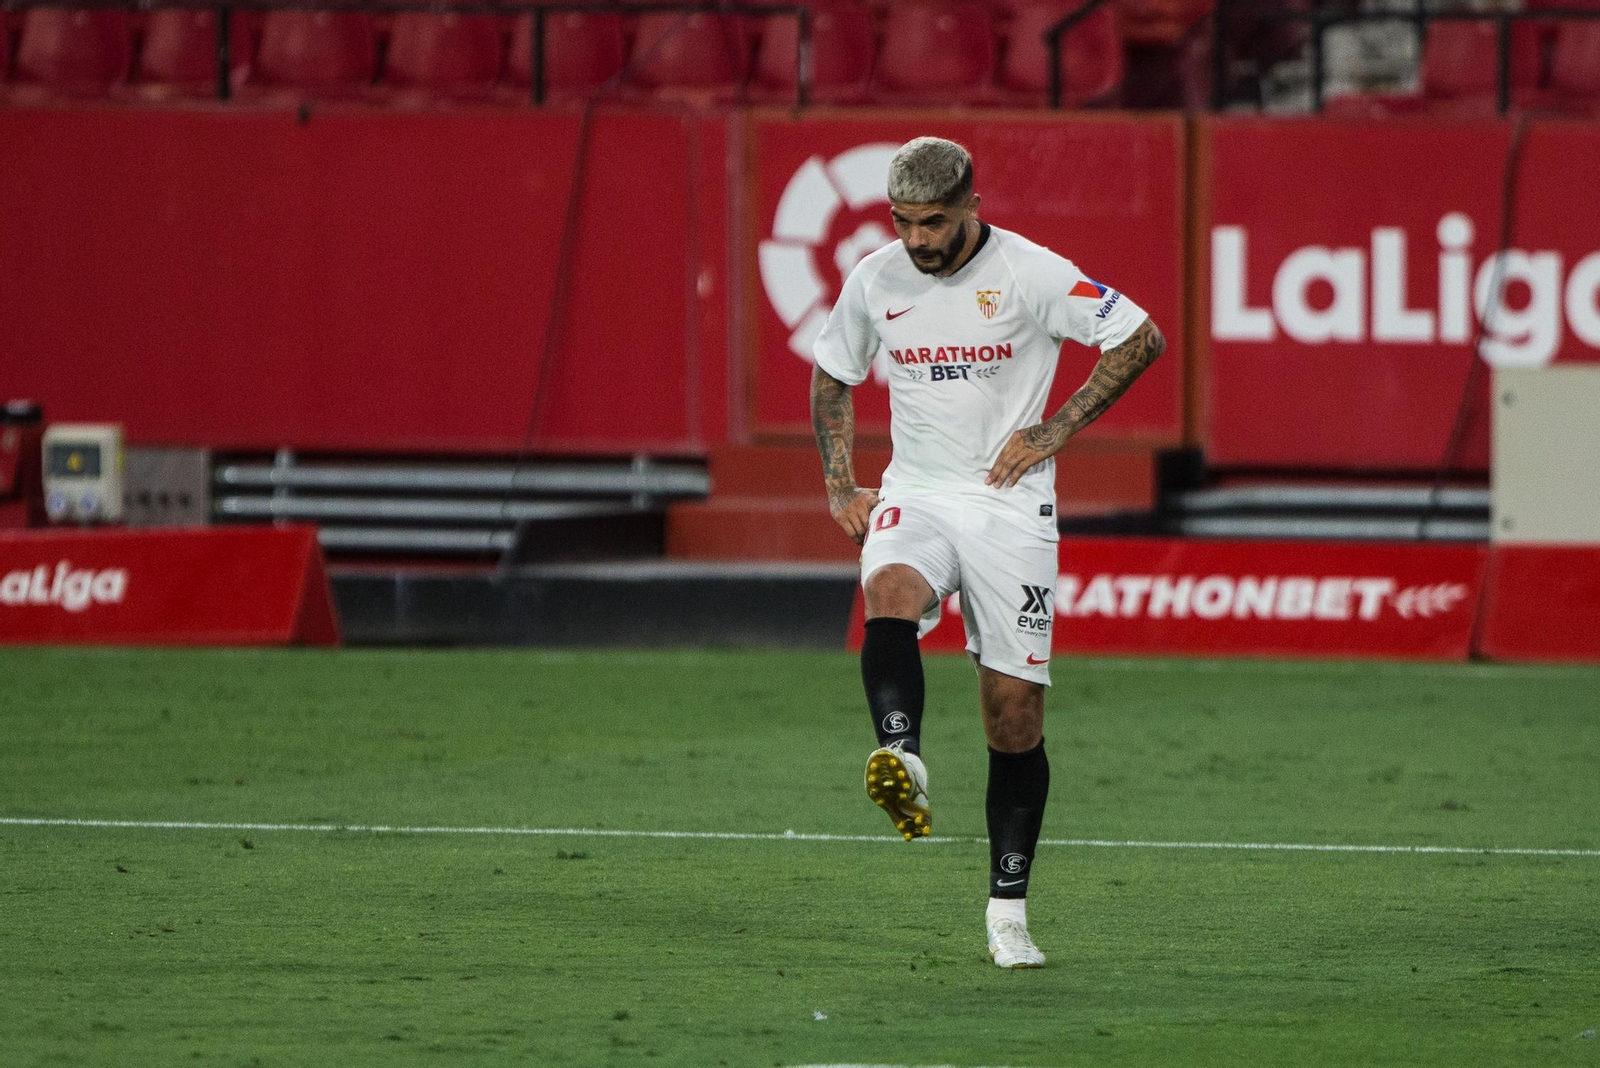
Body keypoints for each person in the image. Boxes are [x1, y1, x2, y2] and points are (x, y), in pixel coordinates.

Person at [809, 136, 1165, 969]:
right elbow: (834, 374)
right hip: (919, 492)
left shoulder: (1031, 272)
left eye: (933, 222)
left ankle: (1008, 913)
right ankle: (900, 755)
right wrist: (840, 486)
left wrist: (1056, 428)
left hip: (1011, 509)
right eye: (903, 223)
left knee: (1014, 718)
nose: (918, 240)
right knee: (889, 587)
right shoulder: (877, 279)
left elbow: (1139, 336)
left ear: (972, 205)